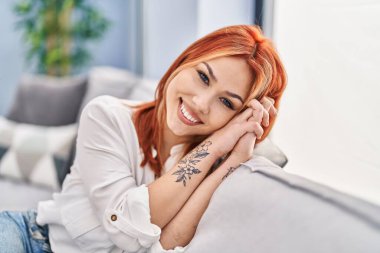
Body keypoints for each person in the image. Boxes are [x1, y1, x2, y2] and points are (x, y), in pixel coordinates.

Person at [0, 24, 286, 252]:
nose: (201, 103)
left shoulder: (216, 168)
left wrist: (230, 159)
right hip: (31, 239)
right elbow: (123, 227)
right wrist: (213, 146)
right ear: (184, 62)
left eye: (227, 103)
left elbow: (164, 246)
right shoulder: (106, 116)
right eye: (203, 76)